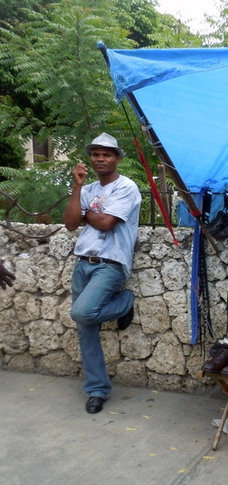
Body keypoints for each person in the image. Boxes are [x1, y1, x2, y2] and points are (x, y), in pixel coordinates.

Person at [63, 133, 142, 414]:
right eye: (96, 154)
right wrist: (76, 187)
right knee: (86, 330)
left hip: (110, 263)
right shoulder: (87, 189)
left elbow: (107, 223)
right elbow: (71, 223)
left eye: (107, 154)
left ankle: (125, 302)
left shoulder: (127, 187)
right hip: (83, 262)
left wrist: (87, 215)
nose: (100, 159)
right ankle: (97, 389)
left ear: (117, 158)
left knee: (82, 312)